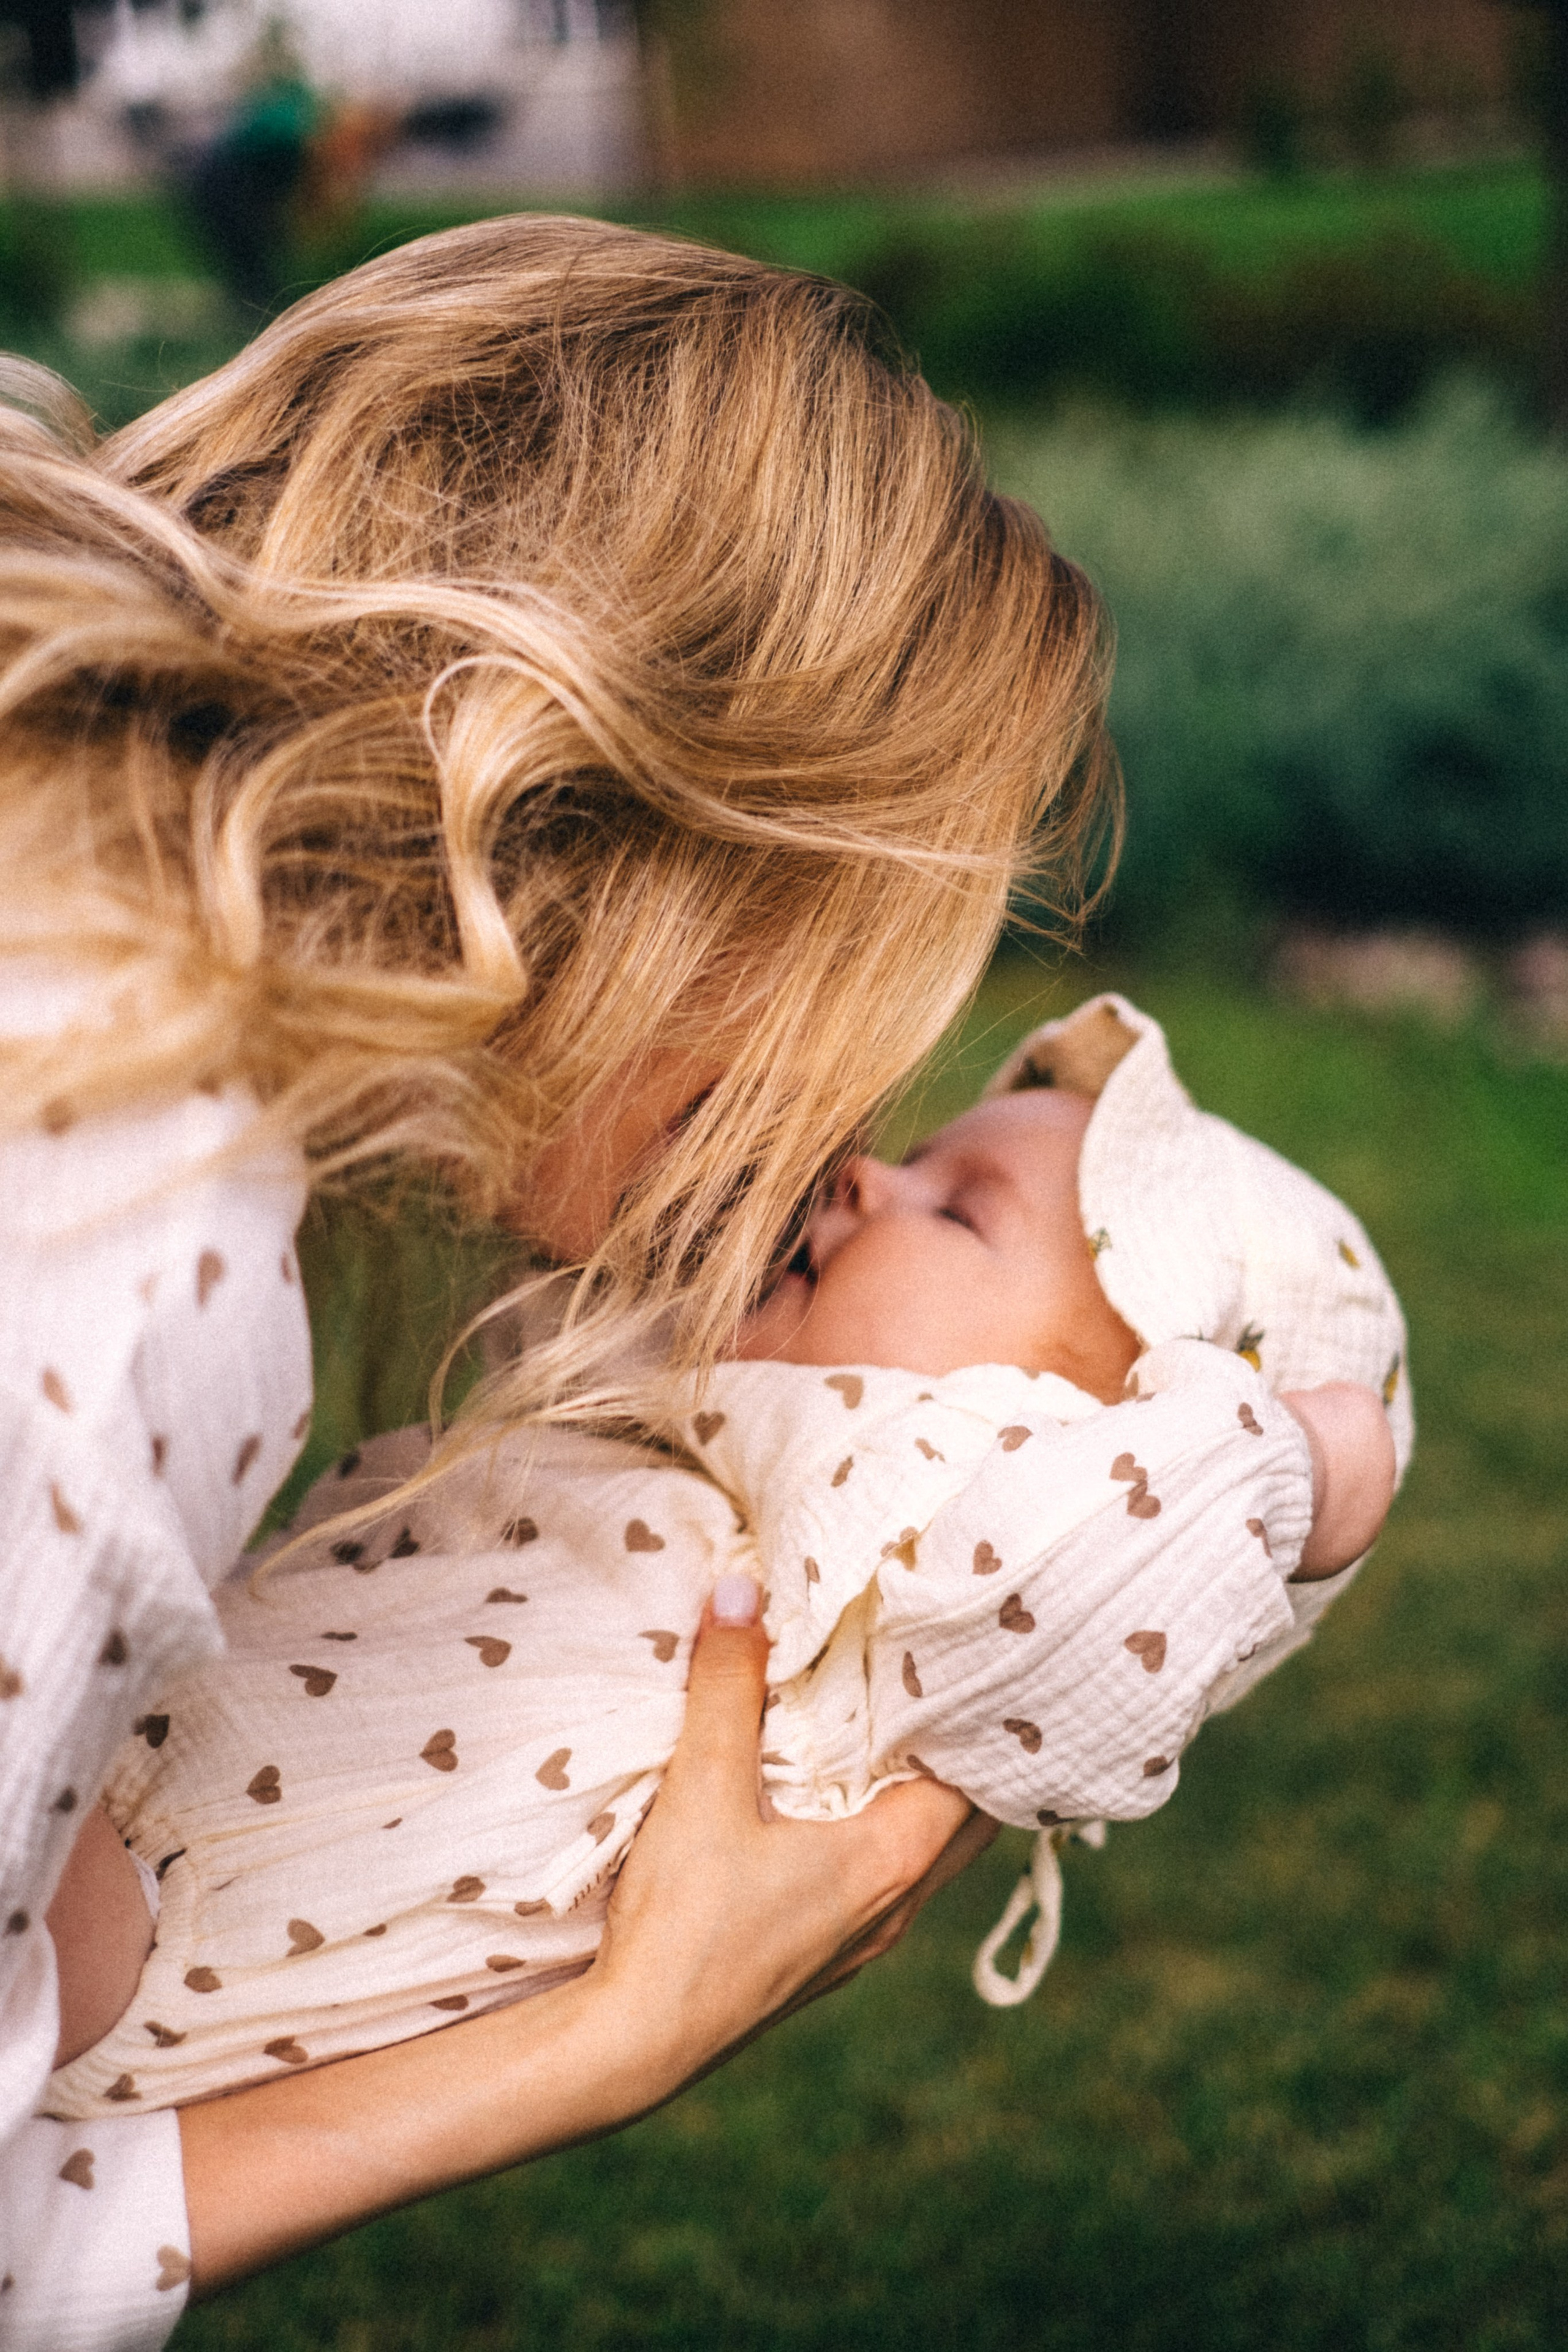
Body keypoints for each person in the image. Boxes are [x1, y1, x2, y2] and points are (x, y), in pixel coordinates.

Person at [0, 213, 1118, 2345]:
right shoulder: (125, 1234)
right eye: (862, 958)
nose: (845, 1121)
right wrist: (595, 2046)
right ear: (662, 830)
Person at [41, 993, 1406, 2114]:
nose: (869, 1172)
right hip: (156, 1732)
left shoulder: (936, 1573)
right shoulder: (732, 1427)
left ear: (1094, 1433)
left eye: (957, 1209)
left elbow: (1123, 1556)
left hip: (175, 1918)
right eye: (921, 1153)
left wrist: (1303, 1465)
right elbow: (546, 1321)